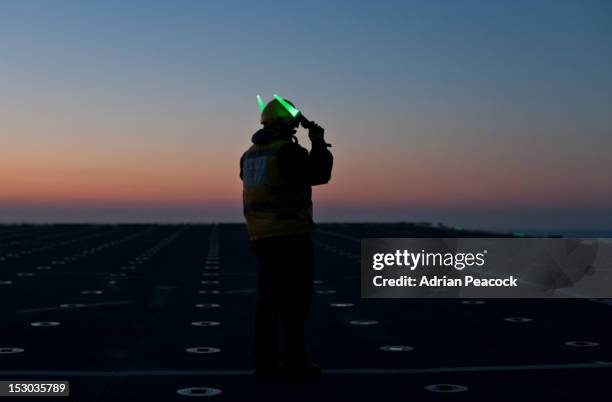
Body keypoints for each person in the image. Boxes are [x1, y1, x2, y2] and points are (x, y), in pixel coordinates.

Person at [240, 95, 333, 380]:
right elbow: (320, 174)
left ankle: (266, 365)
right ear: (284, 123)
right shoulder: (287, 152)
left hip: (261, 236)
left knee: (268, 303)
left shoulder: (250, 154)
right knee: (295, 302)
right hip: (289, 234)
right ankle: (295, 363)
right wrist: (317, 142)